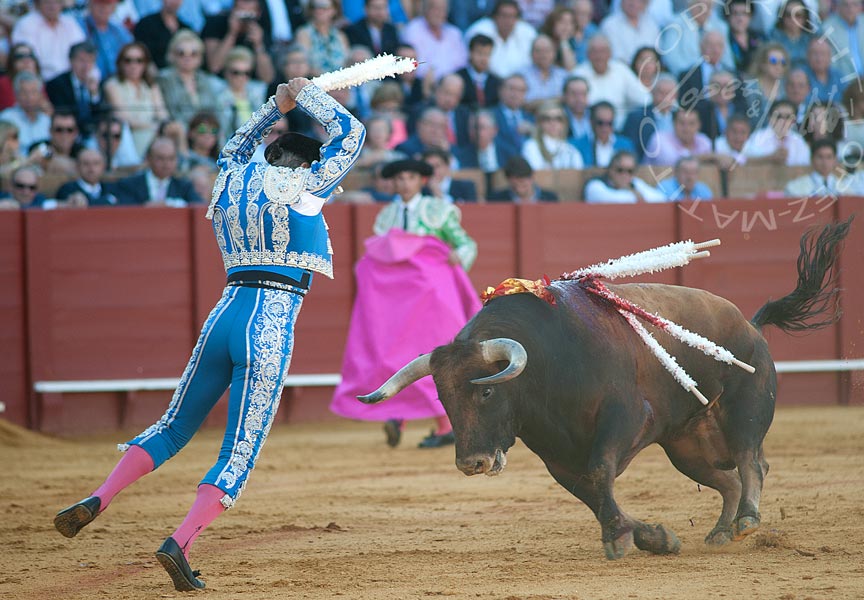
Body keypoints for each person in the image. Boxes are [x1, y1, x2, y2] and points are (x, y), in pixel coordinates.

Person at [53, 75, 365, 592]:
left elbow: (234, 144)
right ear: (306, 164)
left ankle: (99, 497)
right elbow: (350, 134)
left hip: (223, 315)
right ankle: (180, 541)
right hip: (268, 322)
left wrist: (275, 106)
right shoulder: (304, 188)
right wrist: (308, 95)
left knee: (174, 426)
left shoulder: (231, 179)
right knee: (238, 449)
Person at [330, 157, 479, 449]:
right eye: (399, 179)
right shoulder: (386, 217)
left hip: (433, 302)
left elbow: (465, 243)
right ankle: (398, 414)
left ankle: (444, 424)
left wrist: (457, 256)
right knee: (396, 355)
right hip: (400, 304)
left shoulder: (440, 211)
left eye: (410, 177)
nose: (404, 183)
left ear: (421, 181)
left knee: (437, 357)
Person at [103, 42, 170, 157]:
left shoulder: (151, 86)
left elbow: (163, 114)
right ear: (120, 63)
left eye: (139, 61)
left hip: (155, 132)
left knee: (175, 130)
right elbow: (124, 118)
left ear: (145, 64)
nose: (133, 65)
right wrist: (152, 127)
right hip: (128, 136)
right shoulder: (112, 85)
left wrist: (160, 128)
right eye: (128, 60)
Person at [155, 30, 226, 131]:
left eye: (194, 54)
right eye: (181, 53)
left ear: (200, 57)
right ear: (172, 55)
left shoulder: (206, 80)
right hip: (178, 134)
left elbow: (215, 113)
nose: (187, 58)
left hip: (206, 135)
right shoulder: (163, 79)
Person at [113, 136, 203, 206]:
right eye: (160, 158)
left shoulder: (184, 186)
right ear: (149, 159)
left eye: (171, 159)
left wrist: (172, 204)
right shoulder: (129, 184)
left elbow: (199, 208)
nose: (166, 164)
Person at [10, 0, 86, 82]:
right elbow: (25, 59)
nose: (52, 6)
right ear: (38, 4)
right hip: (41, 82)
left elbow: (83, 52)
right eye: (47, 2)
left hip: (70, 82)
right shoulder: (26, 24)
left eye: (56, 2)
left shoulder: (70, 23)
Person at [44, 41, 106, 138]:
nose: (86, 66)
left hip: (95, 134)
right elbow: (63, 113)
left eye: (90, 61)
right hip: (68, 133)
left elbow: (102, 116)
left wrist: (94, 94)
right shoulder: (57, 84)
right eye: (82, 60)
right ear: (71, 61)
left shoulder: (99, 84)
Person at [465, 0, 538, 79]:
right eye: (504, 15)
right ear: (495, 16)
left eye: (512, 16)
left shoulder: (528, 33)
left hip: (520, 83)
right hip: (487, 81)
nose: (508, 21)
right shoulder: (479, 30)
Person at [742, 99, 811, 166]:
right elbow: (743, 161)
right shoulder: (757, 137)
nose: (782, 120)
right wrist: (769, 158)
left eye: (788, 117)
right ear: (769, 117)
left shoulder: (799, 141)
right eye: (778, 116)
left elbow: (806, 166)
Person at [521, 100, 584, 170]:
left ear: (564, 123)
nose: (553, 123)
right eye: (547, 118)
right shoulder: (531, 146)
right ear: (539, 122)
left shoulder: (572, 151)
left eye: (558, 119)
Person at [584, 149, 666, 203]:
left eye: (630, 171)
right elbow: (611, 200)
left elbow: (660, 198)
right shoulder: (594, 185)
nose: (625, 175)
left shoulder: (635, 183)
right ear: (610, 170)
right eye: (620, 170)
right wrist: (635, 195)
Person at [294, 0, 350, 77]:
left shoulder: (340, 35)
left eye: (324, 7)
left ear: (334, 10)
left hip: (341, 84)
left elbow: (347, 62)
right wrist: (329, 81)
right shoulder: (303, 34)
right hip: (315, 83)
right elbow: (305, 65)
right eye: (315, 7)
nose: (319, 10)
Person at [784, 139, 849, 197]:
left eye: (829, 157)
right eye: (820, 157)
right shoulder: (796, 187)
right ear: (812, 159)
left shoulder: (844, 189)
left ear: (835, 160)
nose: (825, 162)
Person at [582, 101, 636, 167]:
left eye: (609, 123)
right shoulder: (577, 146)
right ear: (591, 122)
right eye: (600, 123)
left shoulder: (626, 145)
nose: (605, 128)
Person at [456, 34, 501, 109]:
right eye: (480, 53)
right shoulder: (459, 78)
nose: (483, 58)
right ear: (470, 53)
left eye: (487, 54)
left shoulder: (496, 81)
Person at [487, 155, 559, 202]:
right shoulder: (496, 200)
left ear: (532, 178)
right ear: (509, 180)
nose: (519, 189)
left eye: (523, 183)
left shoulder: (550, 199)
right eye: (515, 185)